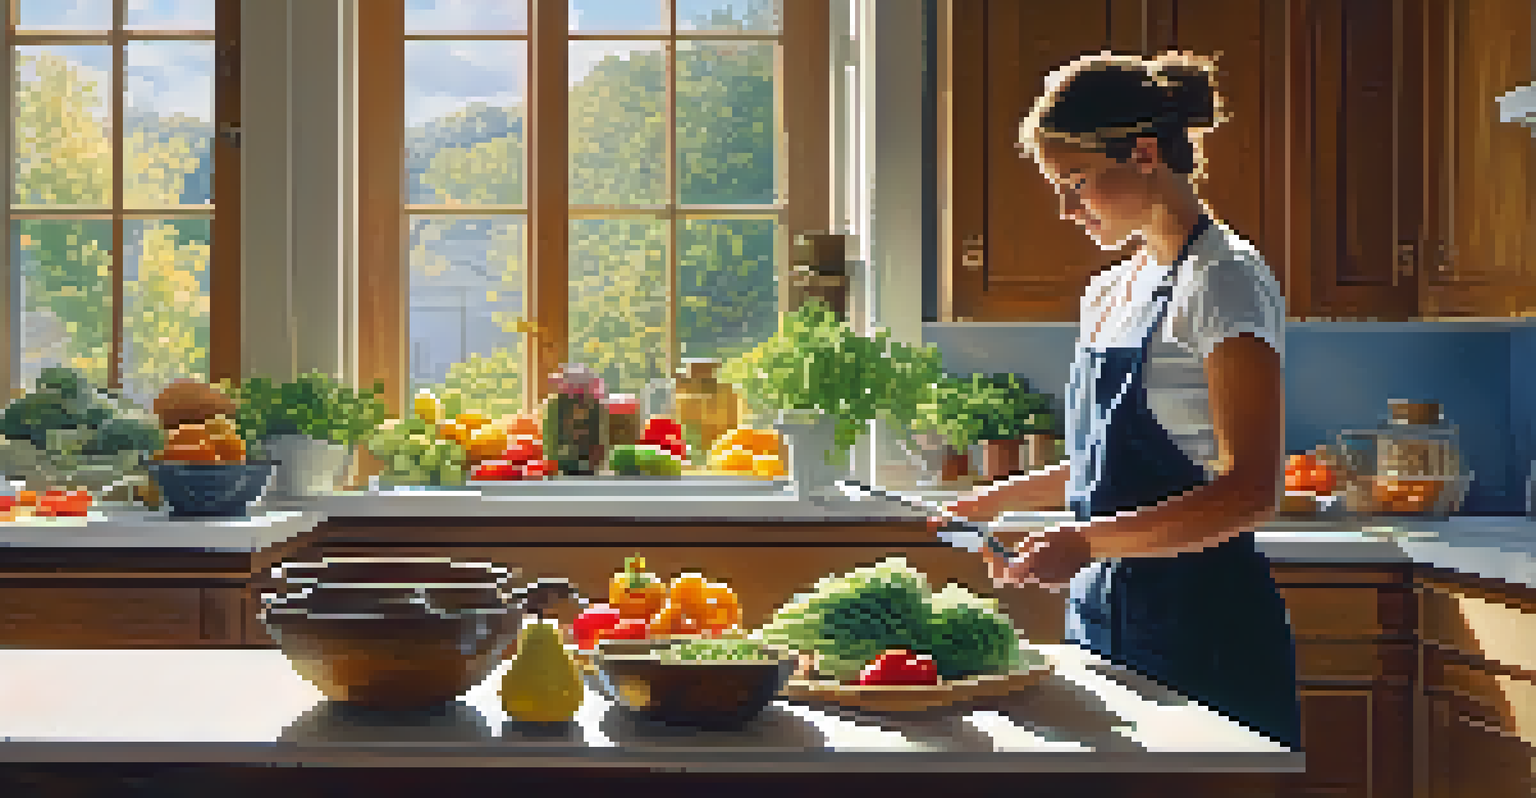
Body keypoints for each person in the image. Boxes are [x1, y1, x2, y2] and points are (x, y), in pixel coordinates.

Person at [933, 51, 1301, 749]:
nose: (1065, 209)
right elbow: (1104, 462)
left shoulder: (1224, 281)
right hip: (1102, 617)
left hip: (1206, 631)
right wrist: (990, 504)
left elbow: (1252, 491)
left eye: (1074, 182)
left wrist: (1084, 541)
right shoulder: (1108, 293)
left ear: (1141, 154)